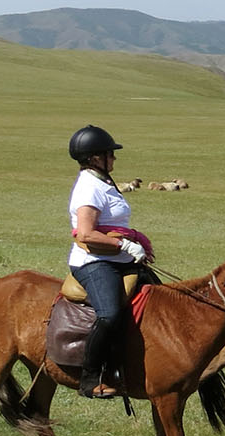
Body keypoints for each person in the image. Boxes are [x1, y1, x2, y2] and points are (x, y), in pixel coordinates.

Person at [66, 125, 158, 399]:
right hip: (94, 262)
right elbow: (85, 233)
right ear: (96, 158)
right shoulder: (88, 188)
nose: (114, 159)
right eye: (110, 154)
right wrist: (124, 244)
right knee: (110, 314)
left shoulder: (104, 181)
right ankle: (91, 377)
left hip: (120, 259)